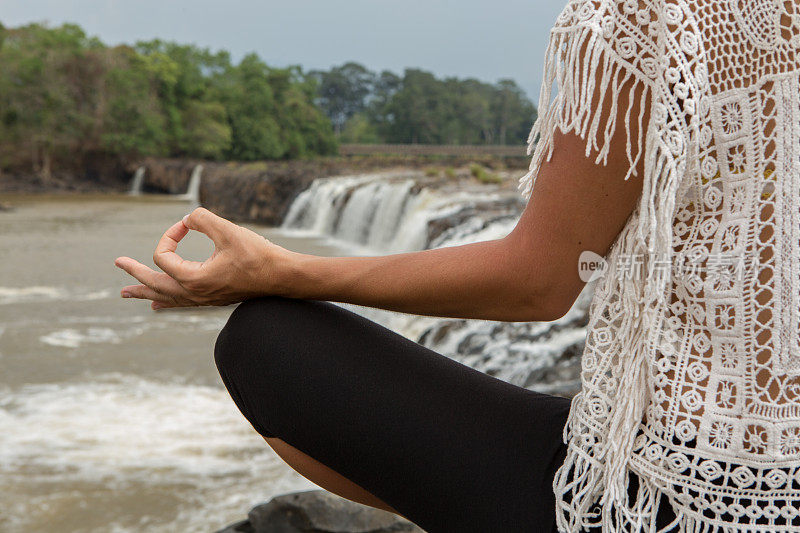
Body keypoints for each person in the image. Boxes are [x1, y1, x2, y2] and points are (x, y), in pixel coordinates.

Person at [115, 1, 800, 531]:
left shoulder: (657, 13)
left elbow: (540, 280)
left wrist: (278, 270)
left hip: (675, 495)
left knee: (265, 342)